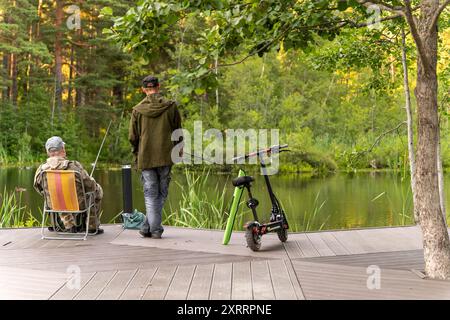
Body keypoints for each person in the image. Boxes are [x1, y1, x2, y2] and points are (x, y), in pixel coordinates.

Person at [129, 75, 182, 239]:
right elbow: (177, 130)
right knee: (161, 192)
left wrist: (137, 151)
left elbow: (133, 136)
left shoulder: (137, 110)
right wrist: (179, 148)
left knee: (151, 194)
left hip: (146, 158)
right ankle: (156, 230)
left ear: (143, 89)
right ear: (158, 87)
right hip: (166, 155)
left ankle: (147, 227)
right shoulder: (171, 106)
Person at [34, 136, 104, 234]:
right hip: (78, 204)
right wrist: (93, 181)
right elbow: (90, 186)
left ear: (48, 152)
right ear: (62, 149)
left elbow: (38, 188)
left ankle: (66, 224)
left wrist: (51, 195)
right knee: (97, 190)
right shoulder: (73, 166)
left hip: (53, 205)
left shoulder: (42, 170)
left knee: (56, 197)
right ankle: (91, 226)